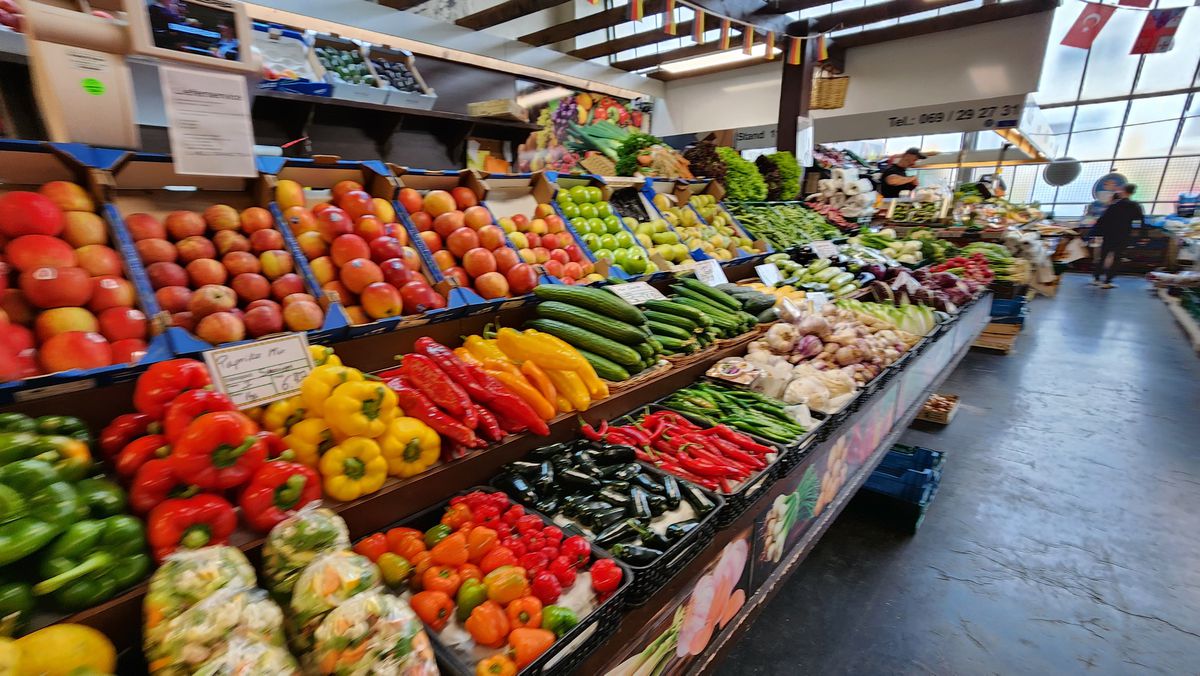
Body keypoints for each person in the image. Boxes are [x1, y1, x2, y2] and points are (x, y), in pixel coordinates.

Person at [1090, 184, 1143, 289]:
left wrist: (1095, 232)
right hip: (1123, 234)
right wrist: (1143, 234)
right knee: (1117, 258)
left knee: (1103, 256)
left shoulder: (1114, 205)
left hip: (1109, 234)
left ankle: (1096, 278)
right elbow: (1140, 219)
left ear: (1123, 191)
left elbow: (1103, 219)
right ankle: (1107, 281)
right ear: (1133, 192)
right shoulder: (1135, 205)